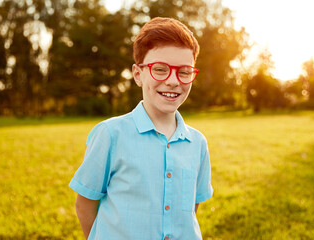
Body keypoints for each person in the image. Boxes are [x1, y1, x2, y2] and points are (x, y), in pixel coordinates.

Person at [69, 17, 213, 240]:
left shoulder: (198, 143)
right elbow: (85, 204)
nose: (173, 81)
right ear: (138, 74)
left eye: (184, 72)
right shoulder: (110, 134)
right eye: (160, 69)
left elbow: (191, 209)